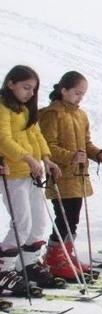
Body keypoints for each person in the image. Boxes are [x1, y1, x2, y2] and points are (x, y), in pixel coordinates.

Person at [38, 71, 102, 282]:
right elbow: (47, 146)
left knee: (73, 218)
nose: (80, 97)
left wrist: (97, 153)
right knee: (64, 218)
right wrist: (71, 156)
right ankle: (54, 258)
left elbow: (86, 143)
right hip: (61, 175)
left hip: (78, 175)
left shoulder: (81, 115)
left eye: (83, 94)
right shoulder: (52, 114)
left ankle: (64, 254)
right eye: (77, 93)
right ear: (64, 90)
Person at [0, 65, 63, 294]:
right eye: (25, 87)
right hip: (13, 174)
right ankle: (3, 269)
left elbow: (36, 135)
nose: (29, 93)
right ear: (10, 84)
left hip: (33, 173)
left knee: (38, 224)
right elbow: (4, 140)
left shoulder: (26, 110)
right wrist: (27, 158)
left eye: (33, 89)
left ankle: (26, 264)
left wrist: (46, 159)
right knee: (22, 224)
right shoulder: (3, 108)